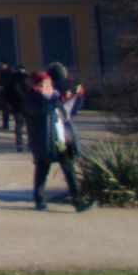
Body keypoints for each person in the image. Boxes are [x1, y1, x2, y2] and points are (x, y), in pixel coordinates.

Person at [24, 69, 88, 211]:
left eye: (48, 82)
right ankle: (39, 199)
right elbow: (41, 110)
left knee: (68, 167)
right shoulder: (32, 98)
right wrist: (54, 102)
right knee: (42, 169)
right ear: (37, 84)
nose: (46, 85)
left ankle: (77, 201)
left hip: (59, 139)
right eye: (43, 82)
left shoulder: (55, 96)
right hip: (43, 140)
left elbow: (68, 107)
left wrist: (76, 91)